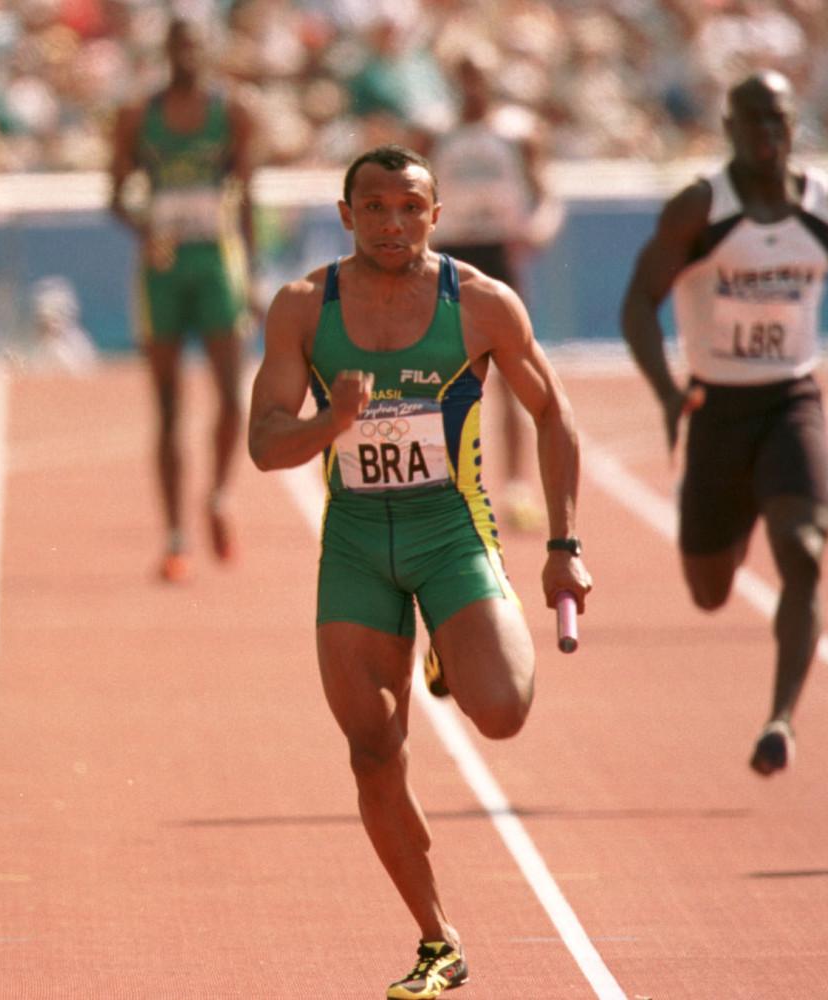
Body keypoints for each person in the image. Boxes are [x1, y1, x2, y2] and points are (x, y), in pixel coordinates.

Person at [247, 144, 591, 999]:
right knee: (372, 753)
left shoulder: (480, 304)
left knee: (504, 713)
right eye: (374, 208)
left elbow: (552, 415)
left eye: (409, 208)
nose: (392, 224)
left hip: (451, 531)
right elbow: (262, 445)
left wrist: (564, 546)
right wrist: (333, 419)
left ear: (435, 215)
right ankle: (437, 940)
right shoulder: (300, 308)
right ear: (345, 214)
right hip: (357, 544)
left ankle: (448, 643)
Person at [621, 70, 828, 776]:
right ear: (729, 129)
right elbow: (636, 304)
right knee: (709, 592)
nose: (768, 137)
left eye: (778, 122)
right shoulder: (699, 210)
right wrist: (665, 391)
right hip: (715, 410)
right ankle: (731, 515)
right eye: (753, 124)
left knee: (802, 550)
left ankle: (779, 719)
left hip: (789, 402)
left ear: (792, 124)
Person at [109, 16, 258, 583]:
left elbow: (247, 191)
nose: (187, 53)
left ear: (208, 49)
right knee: (168, 405)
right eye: (178, 44)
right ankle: (174, 536)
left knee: (230, 395)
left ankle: (219, 494)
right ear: (166, 50)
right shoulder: (137, 117)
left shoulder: (233, 112)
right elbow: (117, 196)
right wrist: (147, 227)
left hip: (217, 261)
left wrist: (253, 274)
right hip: (163, 269)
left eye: (196, 43)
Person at [424, 48, 565, 533]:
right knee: (444, 372)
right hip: (448, 256)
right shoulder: (435, 132)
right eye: (463, 77)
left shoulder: (517, 134)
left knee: (511, 371)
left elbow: (545, 193)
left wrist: (540, 226)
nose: (472, 88)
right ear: (452, 80)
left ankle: (516, 488)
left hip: (500, 255)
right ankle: (443, 484)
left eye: (479, 78)